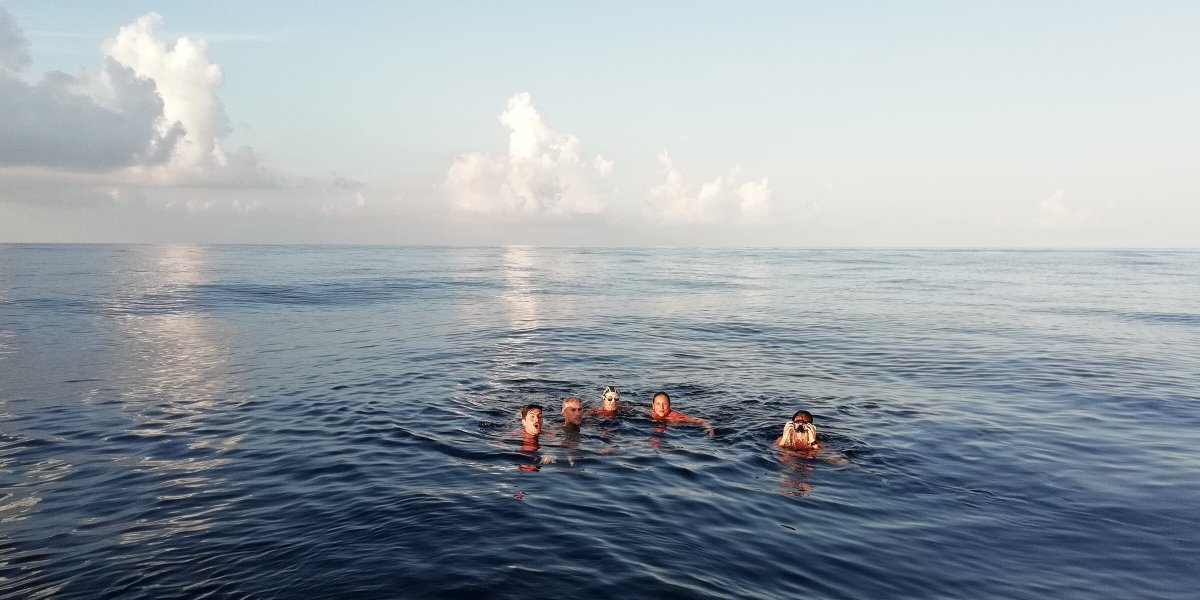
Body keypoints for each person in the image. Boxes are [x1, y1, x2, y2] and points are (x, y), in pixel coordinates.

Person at [649, 391, 714, 436]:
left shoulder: (677, 417)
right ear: (653, 406)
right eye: (658, 404)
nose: (661, 407)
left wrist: (709, 428)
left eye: (665, 404)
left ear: (669, 405)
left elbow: (703, 421)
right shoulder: (650, 412)